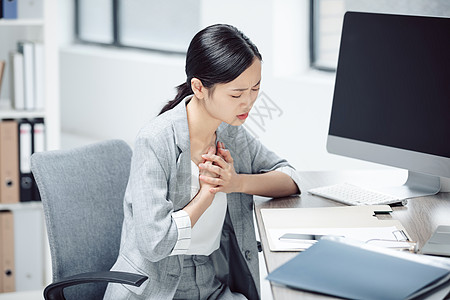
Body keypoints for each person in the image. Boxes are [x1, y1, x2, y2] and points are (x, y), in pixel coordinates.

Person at [104, 24, 300, 300]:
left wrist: (236, 183)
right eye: (236, 94)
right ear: (198, 87)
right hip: (154, 291)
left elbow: (291, 178)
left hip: (211, 284)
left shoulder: (231, 132)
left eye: (255, 89)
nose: (249, 102)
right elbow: (154, 244)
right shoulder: (155, 141)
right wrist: (206, 194)